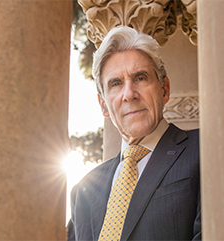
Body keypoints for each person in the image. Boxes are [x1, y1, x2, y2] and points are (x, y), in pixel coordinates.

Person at [67, 26, 201, 241]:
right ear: (103, 105)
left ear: (164, 89)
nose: (129, 94)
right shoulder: (83, 191)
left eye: (140, 78)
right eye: (116, 83)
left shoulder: (206, 149)